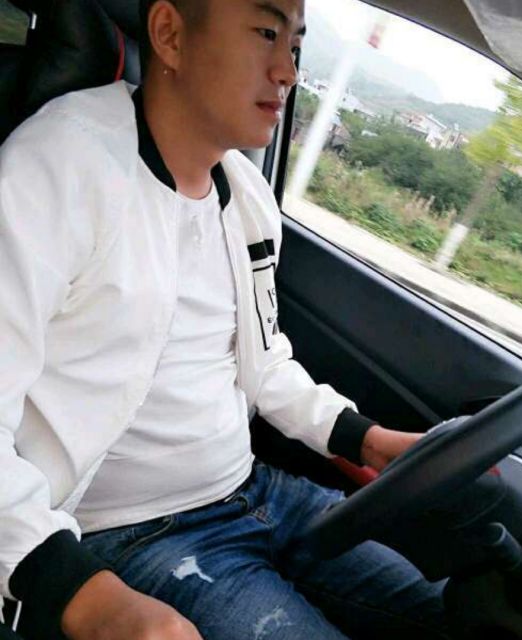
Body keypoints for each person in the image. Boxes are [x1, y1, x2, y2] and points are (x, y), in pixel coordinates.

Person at [0, 0, 449, 638]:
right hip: (129, 533)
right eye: (266, 33)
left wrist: (366, 438)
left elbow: (263, 359)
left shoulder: (246, 196)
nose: (288, 70)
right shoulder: (59, 166)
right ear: (170, 34)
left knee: (455, 613)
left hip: (258, 492)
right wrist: (78, 589)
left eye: (295, 45)